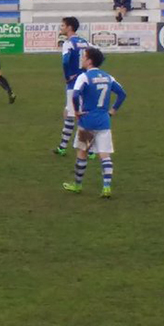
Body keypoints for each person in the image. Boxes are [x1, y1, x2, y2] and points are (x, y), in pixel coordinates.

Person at [62, 47, 127, 199]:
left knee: (82, 152)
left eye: (84, 57)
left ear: (90, 61)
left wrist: (77, 111)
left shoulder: (84, 77)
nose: (82, 59)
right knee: (105, 155)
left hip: (87, 121)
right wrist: (113, 110)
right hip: (104, 121)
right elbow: (122, 94)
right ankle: (106, 188)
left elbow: (76, 94)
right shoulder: (108, 77)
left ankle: (77, 185)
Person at [54, 17, 90, 157]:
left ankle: (66, 148)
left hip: (73, 84)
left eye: (62, 25)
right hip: (85, 82)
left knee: (72, 116)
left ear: (69, 27)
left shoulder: (68, 43)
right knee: (72, 113)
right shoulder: (84, 42)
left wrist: (67, 75)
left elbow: (65, 60)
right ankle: (68, 146)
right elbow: (99, 56)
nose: (61, 27)